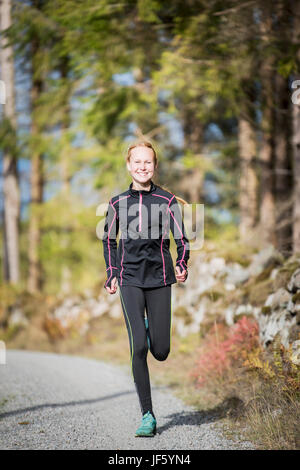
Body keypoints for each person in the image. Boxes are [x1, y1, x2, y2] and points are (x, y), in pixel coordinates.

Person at [102, 140, 190, 437]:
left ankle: (151, 325)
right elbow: (108, 240)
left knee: (161, 351)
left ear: (155, 166)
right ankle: (147, 415)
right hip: (129, 279)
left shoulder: (167, 201)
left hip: (160, 277)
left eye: (147, 162)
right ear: (129, 165)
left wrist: (182, 263)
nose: (142, 167)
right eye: (137, 162)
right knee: (138, 345)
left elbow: (182, 239)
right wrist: (112, 273)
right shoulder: (116, 203)